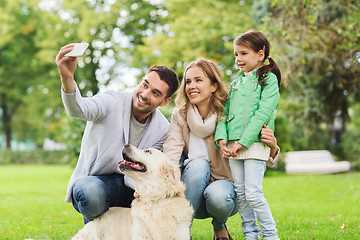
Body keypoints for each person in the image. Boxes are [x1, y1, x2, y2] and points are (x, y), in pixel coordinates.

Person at [55, 43, 179, 223]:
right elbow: (79, 109)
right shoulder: (112, 101)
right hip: (95, 183)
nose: (144, 94)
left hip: (132, 190)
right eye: (145, 85)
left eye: (155, 93)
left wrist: (142, 188)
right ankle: (95, 230)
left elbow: (150, 170)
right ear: (140, 81)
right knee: (91, 192)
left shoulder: (162, 129)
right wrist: (67, 77)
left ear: (165, 101)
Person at [163, 58, 280, 240]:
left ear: (214, 86)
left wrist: (272, 146)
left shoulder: (230, 111)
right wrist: (163, 184)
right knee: (198, 165)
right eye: (188, 81)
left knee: (218, 195)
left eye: (198, 80)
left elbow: (255, 148)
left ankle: (219, 226)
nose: (191, 86)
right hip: (190, 193)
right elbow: (171, 153)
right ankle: (181, 232)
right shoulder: (180, 115)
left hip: (224, 195)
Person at [215, 30, 281, 240]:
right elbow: (224, 114)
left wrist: (243, 142)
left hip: (254, 145)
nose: (238, 59)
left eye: (243, 53)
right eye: (236, 54)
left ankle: (271, 236)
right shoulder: (235, 84)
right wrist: (222, 139)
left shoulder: (268, 80)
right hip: (234, 147)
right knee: (242, 196)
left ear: (260, 54)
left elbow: (263, 112)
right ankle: (250, 235)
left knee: (253, 193)